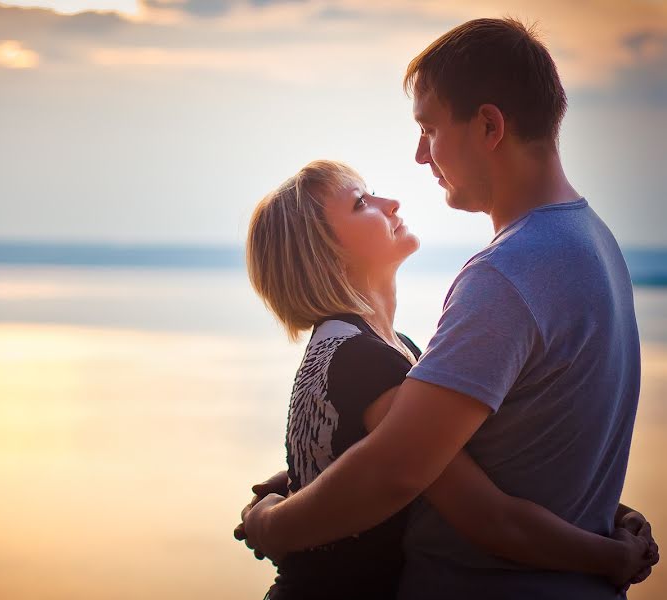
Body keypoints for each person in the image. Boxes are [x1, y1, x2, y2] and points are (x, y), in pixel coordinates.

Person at [240, 18, 660, 599]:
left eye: (429, 128)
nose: (419, 155)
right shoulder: (595, 244)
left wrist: (268, 523)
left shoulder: (505, 275)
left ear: (489, 125)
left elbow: (398, 470)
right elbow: (531, 446)